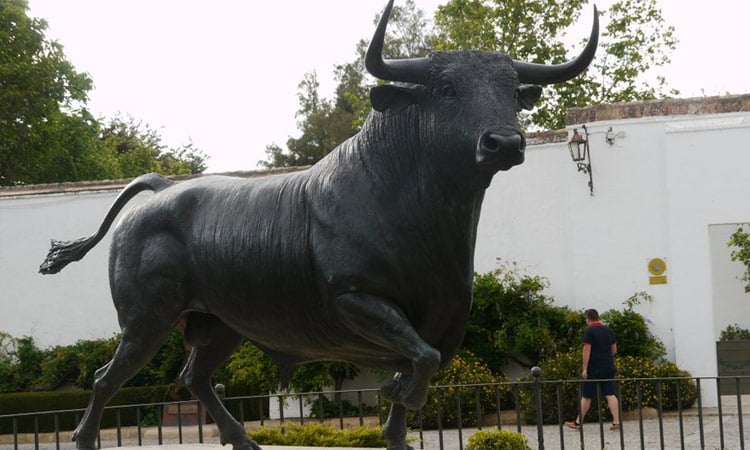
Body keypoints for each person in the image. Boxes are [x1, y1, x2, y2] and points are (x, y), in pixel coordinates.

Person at [565, 308, 620, 430]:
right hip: (608, 366)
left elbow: (586, 349)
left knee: (587, 395)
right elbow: (614, 349)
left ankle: (578, 422)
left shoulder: (589, 331)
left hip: (594, 367)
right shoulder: (608, 330)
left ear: (588, 318)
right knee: (610, 394)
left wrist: (584, 368)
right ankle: (616, 422)